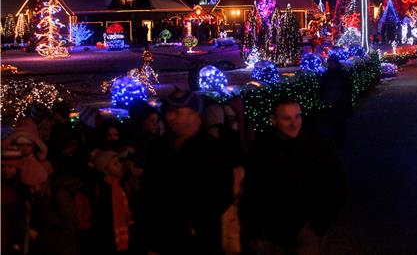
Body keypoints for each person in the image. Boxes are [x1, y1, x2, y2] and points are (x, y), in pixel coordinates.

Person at [239, 98, 347, 255]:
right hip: (272, 231)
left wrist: (319, 223)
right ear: (273, 120)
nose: (294, 123)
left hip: (307, 229)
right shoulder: (261, 148)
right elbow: (252, 190)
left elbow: (337, 185)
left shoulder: (318, 144)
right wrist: (253, 228)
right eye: (287, 118)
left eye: (297, 116)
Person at [142, 89, 233, 255]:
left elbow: (222, 195)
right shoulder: (160, 147)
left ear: (194, 114)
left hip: (200, 240)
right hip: (165, 240)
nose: (169, 117)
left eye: (175, 112)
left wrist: (196, 220)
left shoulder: (211, 149)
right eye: (168, 112)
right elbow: (148, 193)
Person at [319, 55, 353, 148]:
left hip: (340, 101)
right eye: (330, 64)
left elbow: (348, 86)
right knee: (335, 122)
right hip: (332, 101)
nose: (331, 65)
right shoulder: (326, 75)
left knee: (340, 121)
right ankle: (338, 139)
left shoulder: (342, 74)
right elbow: (322, 88)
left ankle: (340, 139)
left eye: (332, 63)